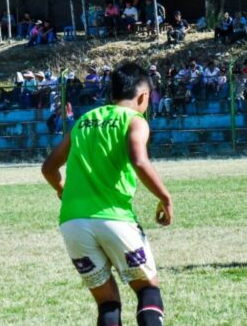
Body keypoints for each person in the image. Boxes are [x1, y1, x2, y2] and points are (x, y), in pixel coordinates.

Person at [40, 62, 173, 326]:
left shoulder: (83, 121)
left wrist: (61, 188)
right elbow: (139, 160)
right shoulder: (135, 120)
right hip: (114, 219)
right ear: (144, 96)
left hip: (72, 223)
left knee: (107, 303)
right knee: (148, 289)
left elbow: (49, 168)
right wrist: (166, 198)